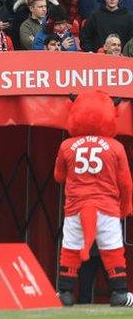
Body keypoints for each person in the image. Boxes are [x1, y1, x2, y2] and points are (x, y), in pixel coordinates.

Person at [54, 91, 133, 307]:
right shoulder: (116, 147)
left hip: (75, 208)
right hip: (107, 208)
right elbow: (126, 183)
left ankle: (65, 292)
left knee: (70, 249)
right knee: (112, 250)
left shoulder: (66, 146)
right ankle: (119, 293)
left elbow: (58, 176)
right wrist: (126, 207)